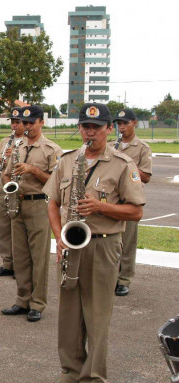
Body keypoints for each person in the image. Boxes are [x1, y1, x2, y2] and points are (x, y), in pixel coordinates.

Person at [44, 103, 145, 382]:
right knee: (68, 315)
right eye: (86, 127)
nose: (91, 133)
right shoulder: (66, 161)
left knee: (97, 316)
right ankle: (70, 371)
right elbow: (52, 203)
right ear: (79, 128)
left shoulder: (123, 164)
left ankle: (94, 376)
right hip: (71, 245)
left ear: (108, 129)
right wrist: (58, 238)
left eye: (97, 127)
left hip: (102, 246)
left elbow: (136, 211)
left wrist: (102, 208)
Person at [1, 105, 62, 322]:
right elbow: (6, 174)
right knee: (21, 257)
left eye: (31, 123)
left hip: (38, 205)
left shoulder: (51, 149)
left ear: (41, 122)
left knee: (39, 257)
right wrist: (10, 186)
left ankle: (38, 303)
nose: (27, 127)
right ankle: (22, 300)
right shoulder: (17, 146)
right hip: (18, 203)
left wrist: (32, 170)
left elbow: (57, 182)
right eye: (24, 123)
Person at [110, 108, 152, 297]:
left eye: (125, 123)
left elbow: (146, 176)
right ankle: (110, 276)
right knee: (110, 240)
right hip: (111, 199)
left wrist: (128, 165)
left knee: (128, 241)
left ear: (134, 123)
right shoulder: (112, 145)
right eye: (119, 124)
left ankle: (124, 279)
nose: (122, 127)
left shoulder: (142, 148)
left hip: (130, 200)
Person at [0, 107, 25, 276]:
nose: (14, 125)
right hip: (4, 187)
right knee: (4, 226)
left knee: (18, 228)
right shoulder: (5, 141)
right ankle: (7, 262)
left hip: (20, 187)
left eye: (18, 122)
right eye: (12, 122)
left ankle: (20, 265)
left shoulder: (27, 142)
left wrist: (14, 155)